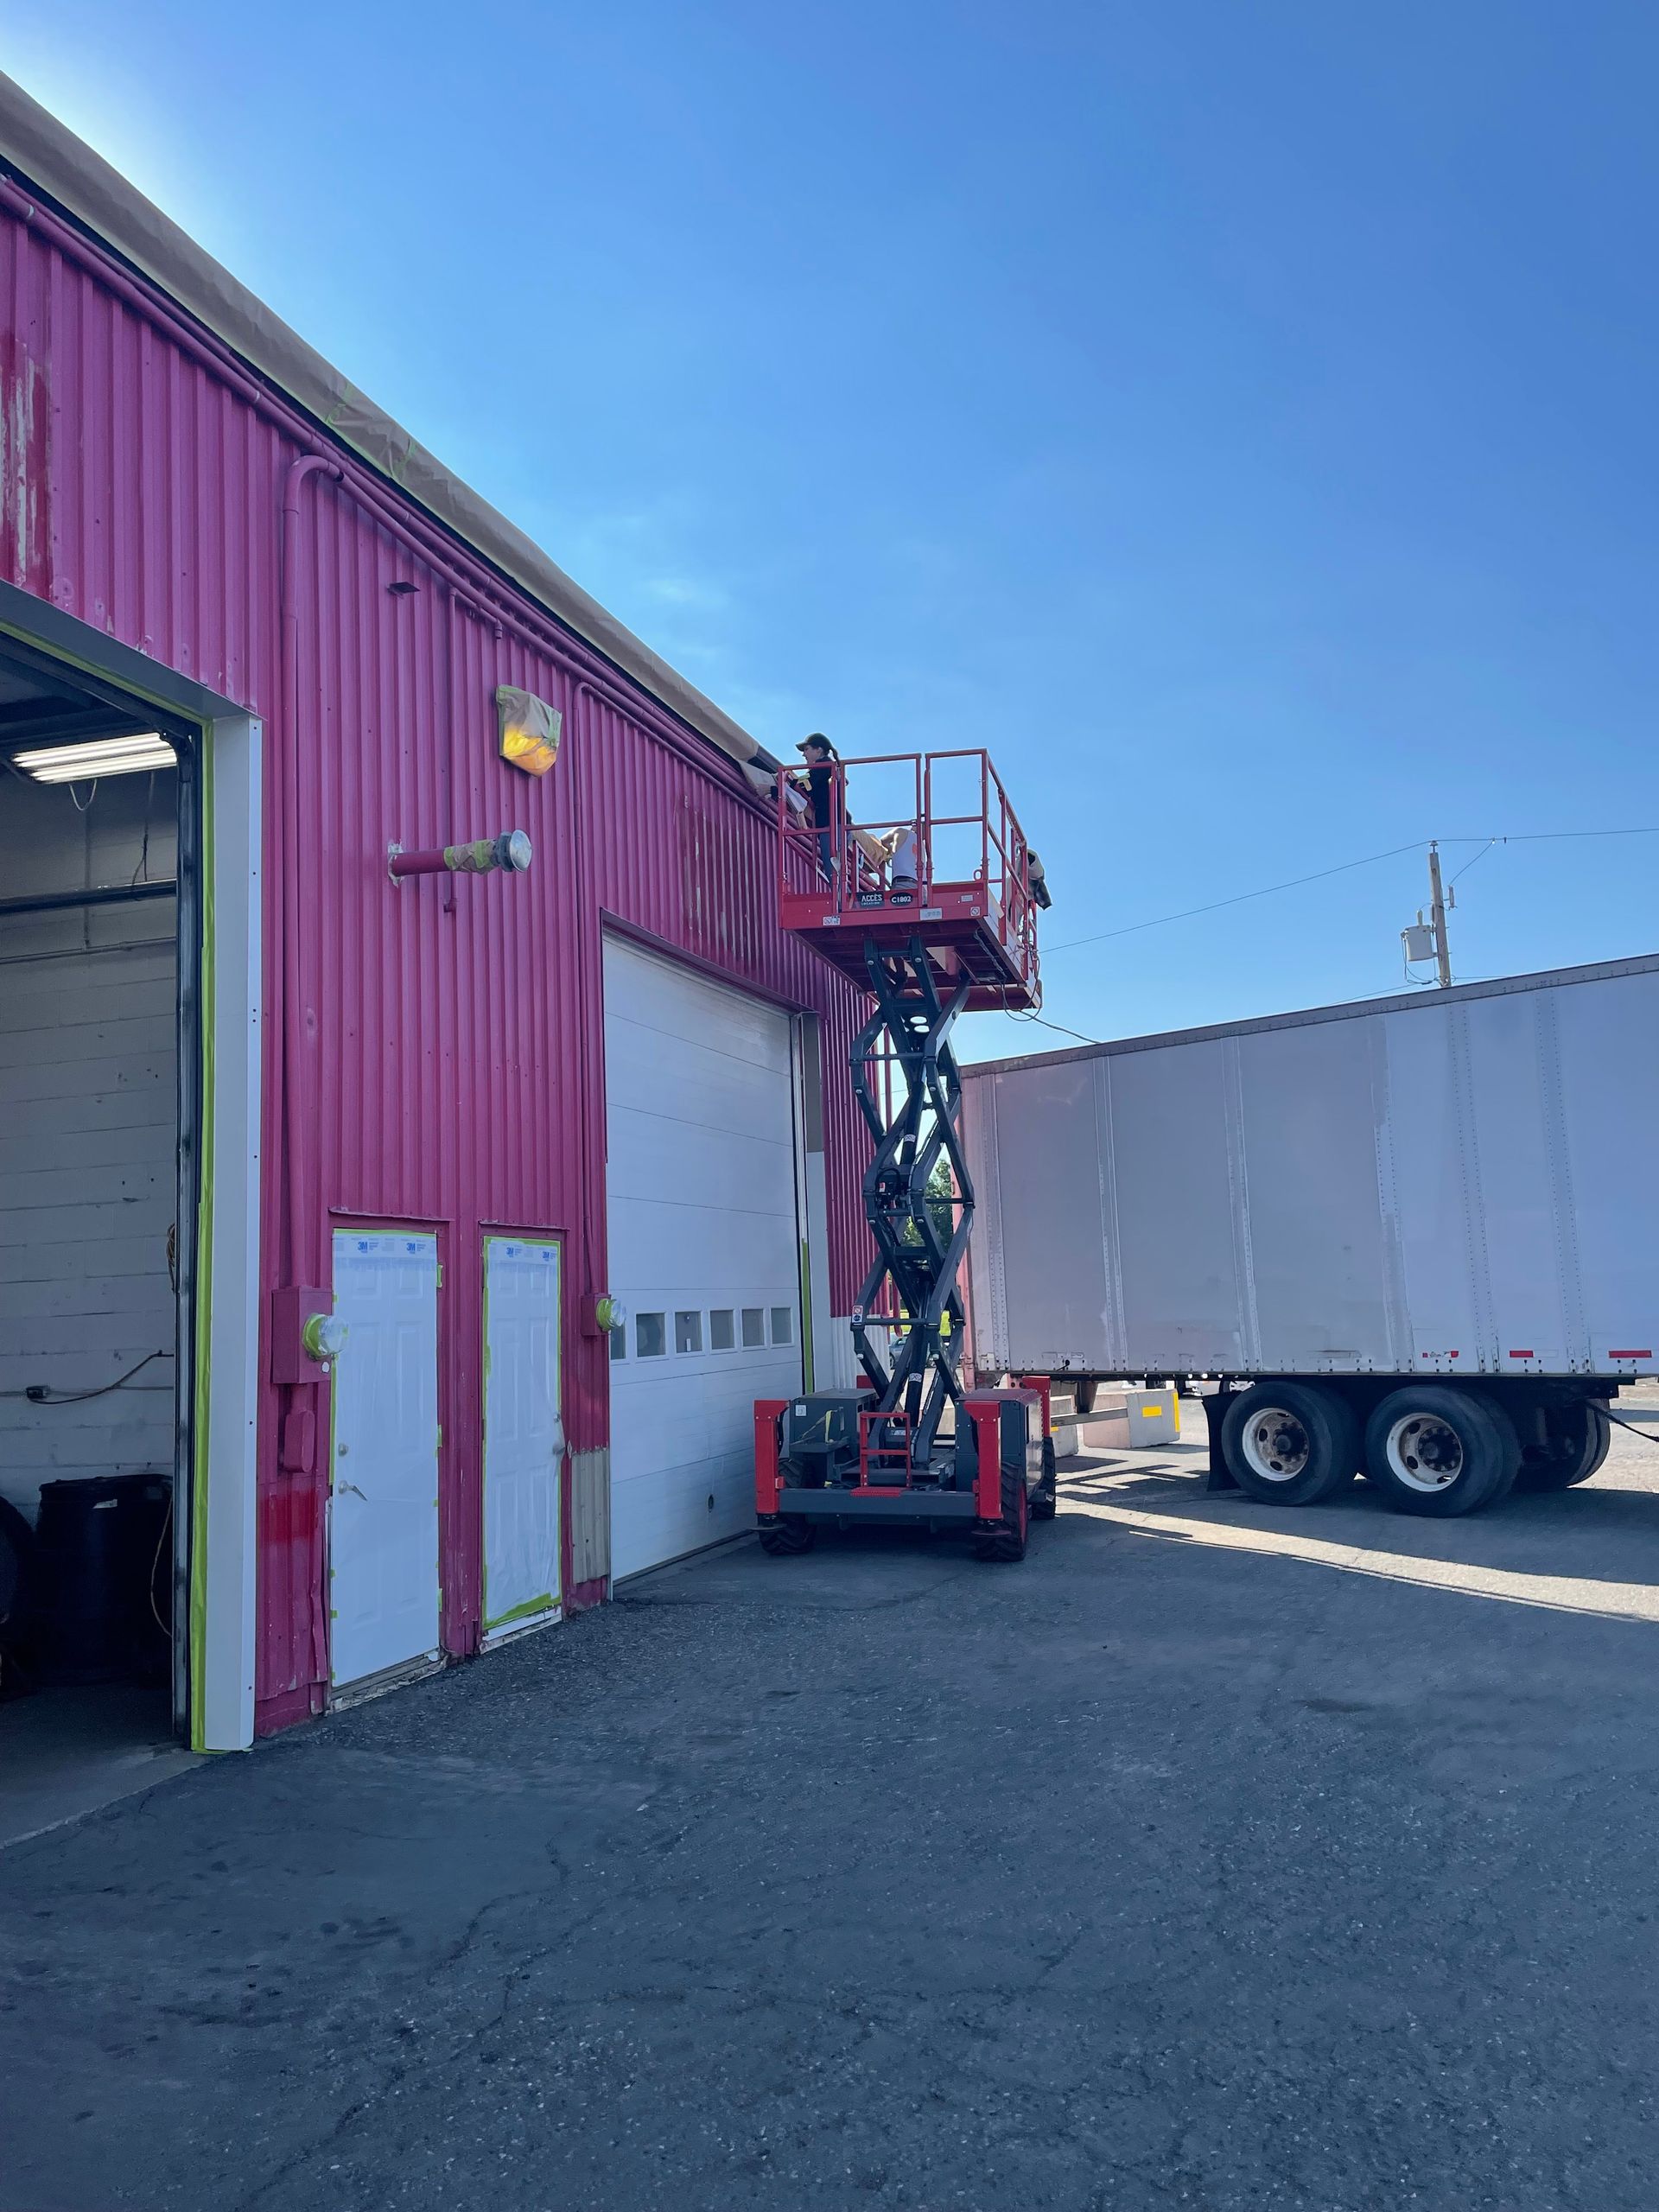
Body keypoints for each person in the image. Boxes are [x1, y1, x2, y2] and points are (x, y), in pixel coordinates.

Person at [795, 733, 841, 880]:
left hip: (832, 824)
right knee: (834, 871)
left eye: (806, 749)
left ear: (818, 750)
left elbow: (803, 784)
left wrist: (775, 789)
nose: (804, 754)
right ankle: (841, 899)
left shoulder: (823, 767)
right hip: (835, 824)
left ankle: (840, 901)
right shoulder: (827, 768)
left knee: (832, 873)